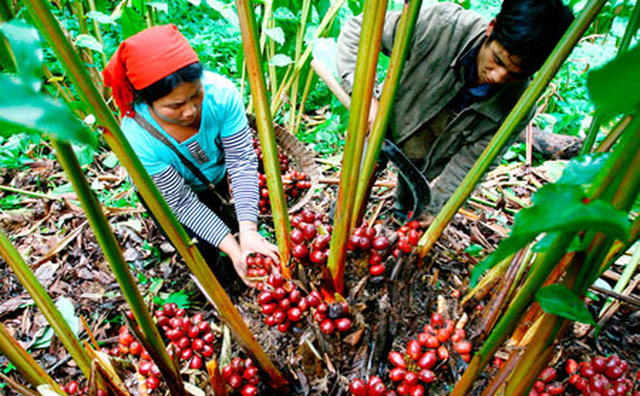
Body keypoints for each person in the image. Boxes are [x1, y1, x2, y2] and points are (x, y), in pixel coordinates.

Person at [336, 0, 574, 217]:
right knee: (349, 196)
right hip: (384, 121)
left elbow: (470, 164)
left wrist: (437, 209)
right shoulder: (439, 26)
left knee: (409, 212)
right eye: (498, 61)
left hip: (425, 158)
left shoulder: (518, 104)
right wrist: (367, 102)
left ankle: (401, 212)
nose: (499, 77)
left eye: (516, 75)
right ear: (491, 28)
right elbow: (357, 33)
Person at [103, 24, 278, 288]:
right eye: (175, 106)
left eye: (196, 95)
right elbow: (182, 203)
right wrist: (232, 250)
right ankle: (219, 283)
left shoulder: (221, 95)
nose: (190, 112)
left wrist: (249, 232)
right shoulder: (137, 139)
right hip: (172, 197)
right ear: (147, 101)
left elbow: (241, 162)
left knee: (232, 219)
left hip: (215, 176)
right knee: (202, 248)